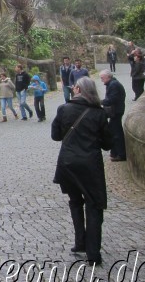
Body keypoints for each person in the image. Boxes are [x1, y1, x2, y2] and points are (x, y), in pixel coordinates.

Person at [51, 76, 113, 266]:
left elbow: (55, 136)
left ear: (78, 90)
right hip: (90, 165)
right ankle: (93, 253)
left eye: (75, 87)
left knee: (75, 202)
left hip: (68, 164)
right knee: (94, 205)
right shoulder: (99, 114)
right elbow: (108, 144)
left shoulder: (64, 109)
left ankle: (80, 243)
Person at [100, 69, 127, 162]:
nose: (101, 80)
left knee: (116, 133)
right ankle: (115, 152)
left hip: (116, 112)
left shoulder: (113, 85)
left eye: (102, 78)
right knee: (113, 131)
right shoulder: (112, 84)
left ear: (108, 77)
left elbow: (112, 99)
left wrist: (99, 101)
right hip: (115, 111)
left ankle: (121, 154)